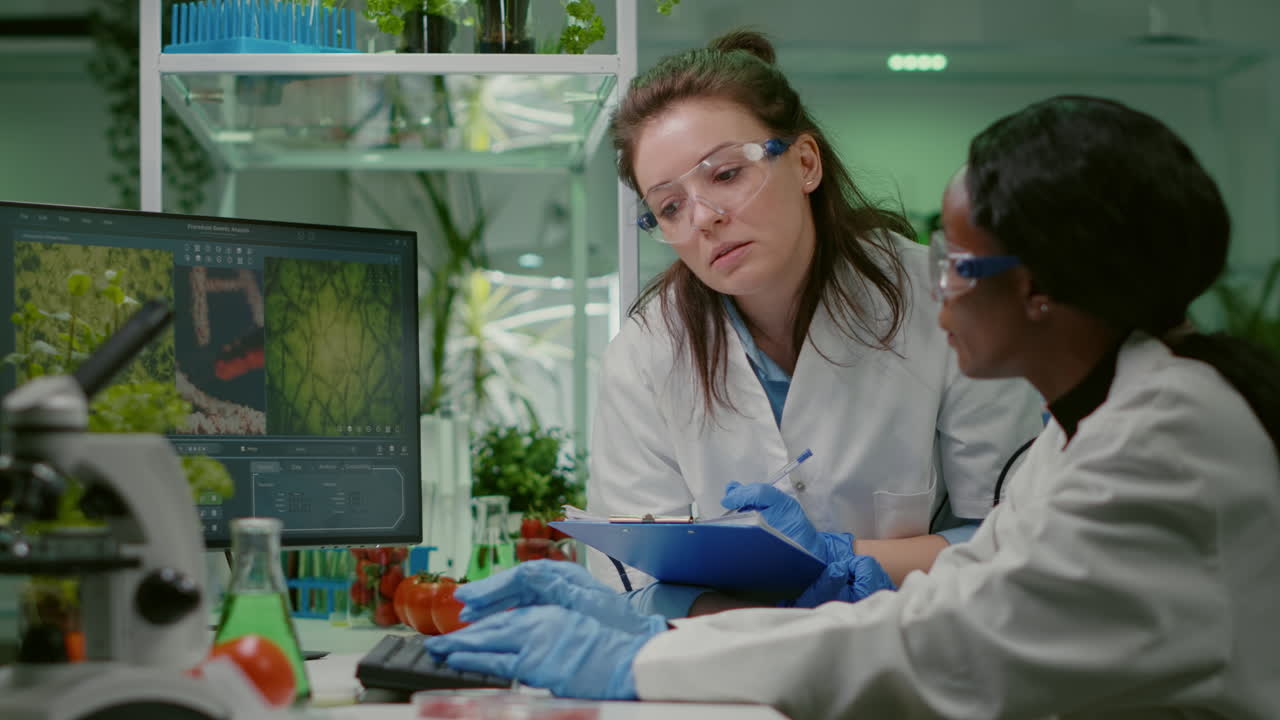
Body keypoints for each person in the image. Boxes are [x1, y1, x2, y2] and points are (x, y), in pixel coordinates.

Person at [427, 94, 1280, 717]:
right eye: (669, 208)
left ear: (1044, 290)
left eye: (960, 267)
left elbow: (945, 647)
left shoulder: (1164, 439)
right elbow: (961, 601)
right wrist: (825, 582)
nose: (938, 295)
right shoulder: (1103, 418)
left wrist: (651, 653)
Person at [588, 29, 1043, 616]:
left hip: (924, 656)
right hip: (730, 681)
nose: (704, 218)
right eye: (669, 206)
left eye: (726, 174)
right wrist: (773, 636)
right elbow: (634, 578)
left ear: (805, 162)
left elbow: (1014, 533)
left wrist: (844, 559)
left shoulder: (939, 304)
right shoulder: (647, 356)